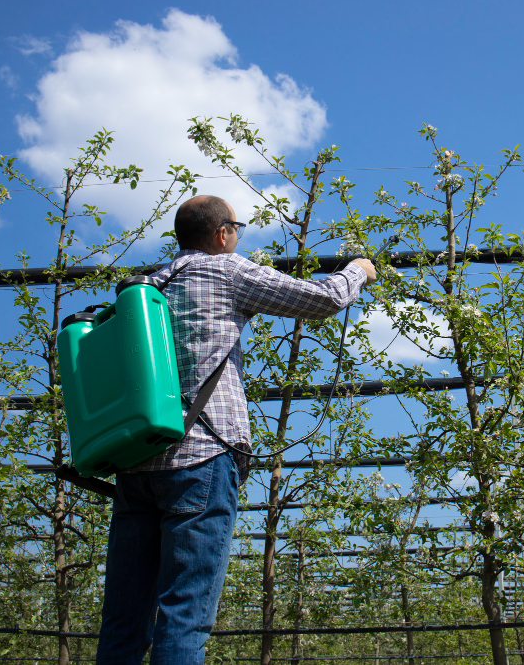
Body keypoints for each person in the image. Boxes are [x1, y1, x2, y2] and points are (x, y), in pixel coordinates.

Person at [95, 195, 376, 664]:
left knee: (124, 618)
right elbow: (322, 300)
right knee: (184, 612)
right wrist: (358, 271)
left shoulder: (143, 288)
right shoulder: (225, 271)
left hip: (136, 461)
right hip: (201, 455)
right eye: (238, 229)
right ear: (223, 233)